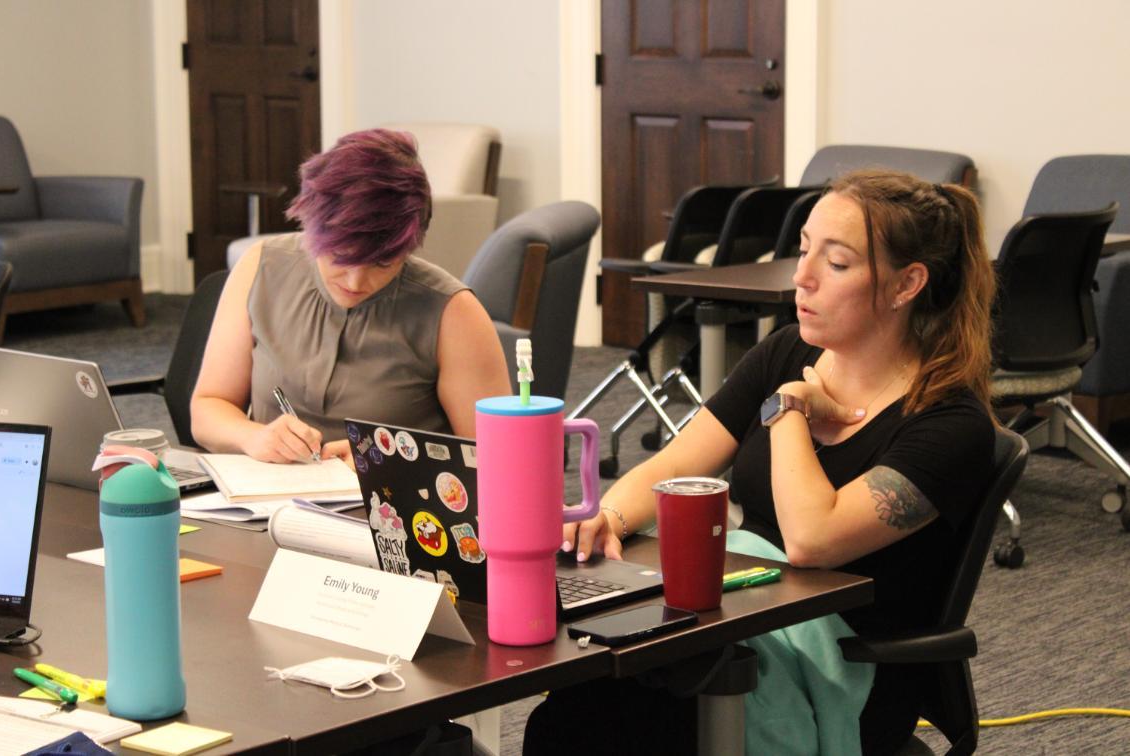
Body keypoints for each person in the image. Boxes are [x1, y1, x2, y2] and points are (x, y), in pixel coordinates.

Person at [526, 170, 997, 755]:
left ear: (907, 284)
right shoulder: (786, 351)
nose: (802, 277)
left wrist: (791, 407)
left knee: (622, 725)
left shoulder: (950, 422)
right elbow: (675, 463)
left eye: (838, 263)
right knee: (575, 711)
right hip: (743, 614)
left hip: (847, 672)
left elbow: (810, 539)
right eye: (803, 250)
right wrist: (612, 519)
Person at [191, 128, 511, 464]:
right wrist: (253, 436)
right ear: (311, 226)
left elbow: (498, 461)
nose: (357, 281)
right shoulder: (263, 265)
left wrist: (385, 460)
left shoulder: (452, 312)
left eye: (383, 262)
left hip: (396, 511)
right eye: (340, 256)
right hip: (268, 506)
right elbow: (208, 407)